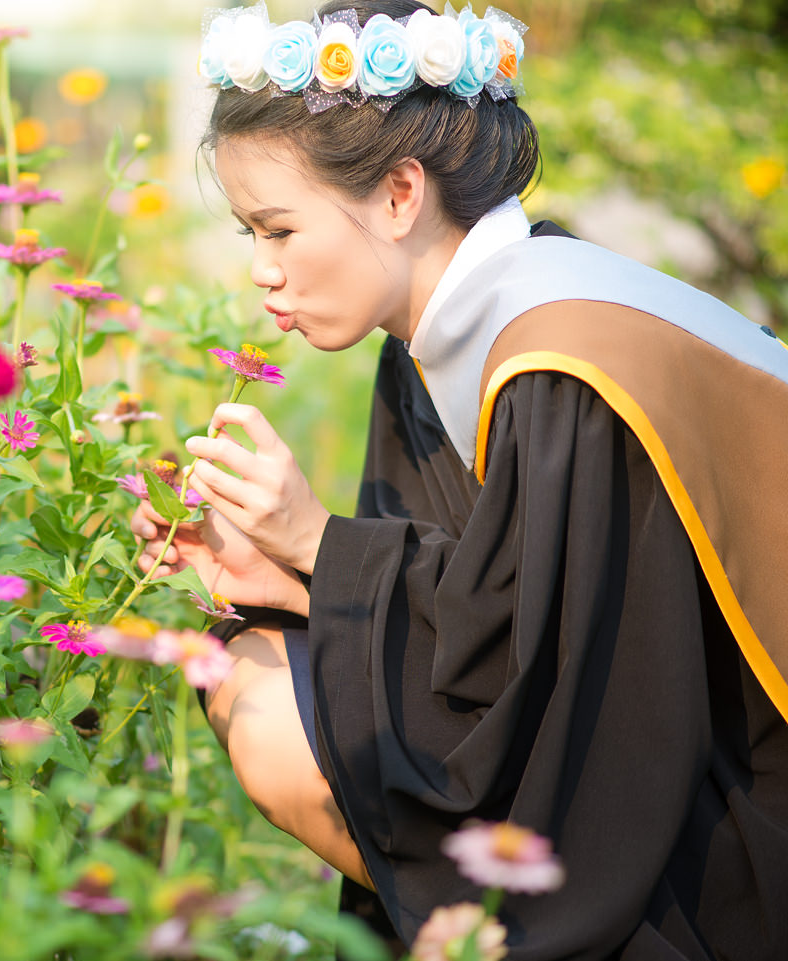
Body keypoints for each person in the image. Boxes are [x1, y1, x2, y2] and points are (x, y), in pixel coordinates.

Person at [131, 1, 788, 957]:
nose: (263, 274)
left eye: (279, 229)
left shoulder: (565, 362)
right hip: (651, 759)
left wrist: (321, 542)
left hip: (736, 824)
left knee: (277, 714)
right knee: (253, 663)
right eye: (250, 237)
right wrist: (292, 576)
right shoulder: (447, 337)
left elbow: (580, 695)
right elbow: (499, 619)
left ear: (401, 194)